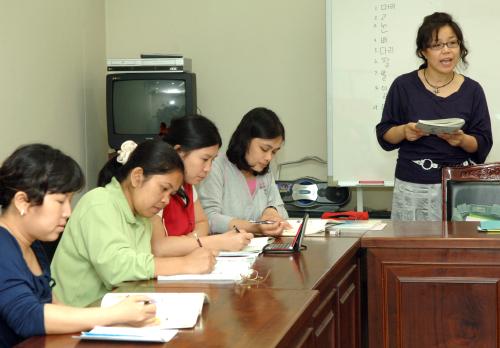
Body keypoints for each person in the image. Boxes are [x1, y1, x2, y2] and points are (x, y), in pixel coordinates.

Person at [0, 144, 157, 347]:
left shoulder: (32, 244)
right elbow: (28, 317)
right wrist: (112, 315)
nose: (68, 212)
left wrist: (116, 319)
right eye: (60, 201)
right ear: (22, 201)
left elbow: (53, 305)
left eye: (70, 201)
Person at [51, 140, 217, 307]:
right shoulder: (99, 202)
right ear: (137, 177)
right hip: (77, 320)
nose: (166, 200)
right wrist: (184, 264)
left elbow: (138, 270)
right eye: (163, 188)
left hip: (115, 313)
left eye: (171, 193)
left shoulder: (142, 216)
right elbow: (116, 269)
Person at [376, 12, 493, 221]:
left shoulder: (473, 90)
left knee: (457, 252)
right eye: (437, 45)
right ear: (423, 52)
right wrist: (405, 131)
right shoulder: (403, 86)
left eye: (452, 43)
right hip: (412, 183)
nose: (446, 51)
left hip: (458, 186)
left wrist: (462, 139)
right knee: (412, 252)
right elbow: (385, 134)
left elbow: (483, 142)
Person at [151, 115, 254, 256]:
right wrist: (216, 242)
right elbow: (159, 247)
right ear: (178, 152)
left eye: (212, 160)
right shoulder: (155, 186)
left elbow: (202, 223)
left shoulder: (187, 184)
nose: (208, 168)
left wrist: (186, 242)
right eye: (204, 159)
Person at [199, 107, 291, 236]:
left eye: (274, 152)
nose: (269, 158)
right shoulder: (215, 167)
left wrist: (271, 211)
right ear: (245, 140)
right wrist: (254, 227)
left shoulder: (264, 171)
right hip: (225, 252)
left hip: (258, 250)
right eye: (264, 149)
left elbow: (281, 210)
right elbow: (209, 219)